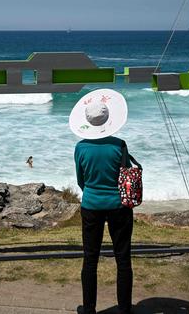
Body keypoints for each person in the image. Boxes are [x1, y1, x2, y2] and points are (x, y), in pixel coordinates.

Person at [69, 89, 133, 314]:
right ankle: (125, 309)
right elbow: (126, 176)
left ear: (87, 120)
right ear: (108, 119)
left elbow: (81, 180)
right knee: (123, 258)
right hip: (118, 205)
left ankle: (89, 309)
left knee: (90, 259)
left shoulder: (81, 147)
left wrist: (93, 192)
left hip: (91, 205)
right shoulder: (120, 145)